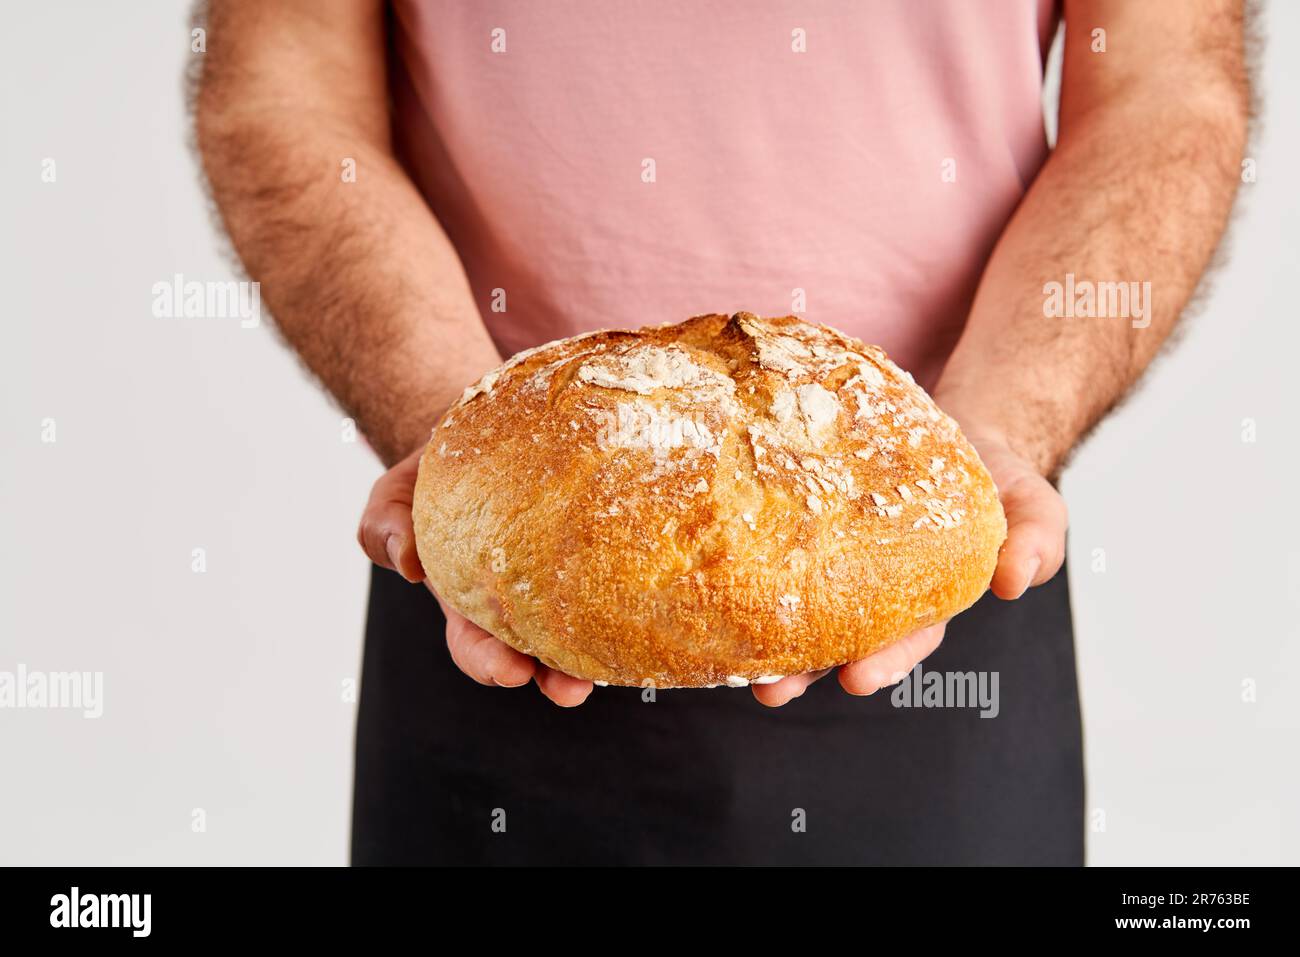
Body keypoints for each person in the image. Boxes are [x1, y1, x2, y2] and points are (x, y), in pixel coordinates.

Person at [194, 0, 1249, 864]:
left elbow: (1164, 94)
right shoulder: (478, 526)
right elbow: (285, 89)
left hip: (932, 550)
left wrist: (1000, 428)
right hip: (496, 583)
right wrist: (454, 433)